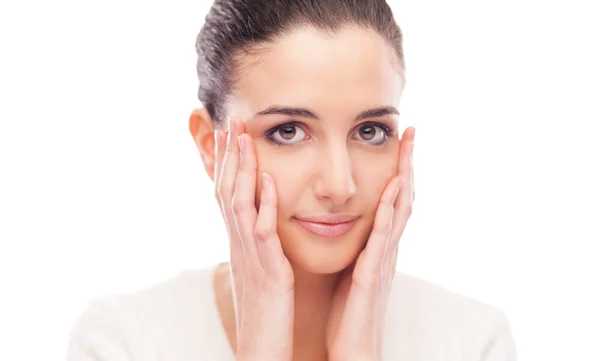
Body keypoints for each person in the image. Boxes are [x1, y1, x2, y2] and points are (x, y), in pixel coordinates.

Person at [67, 0, 517, 360]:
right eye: (288, 131)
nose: (340, 185)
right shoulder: (123, 342)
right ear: (211, 146)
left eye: (371, 131)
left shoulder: (473, 342)